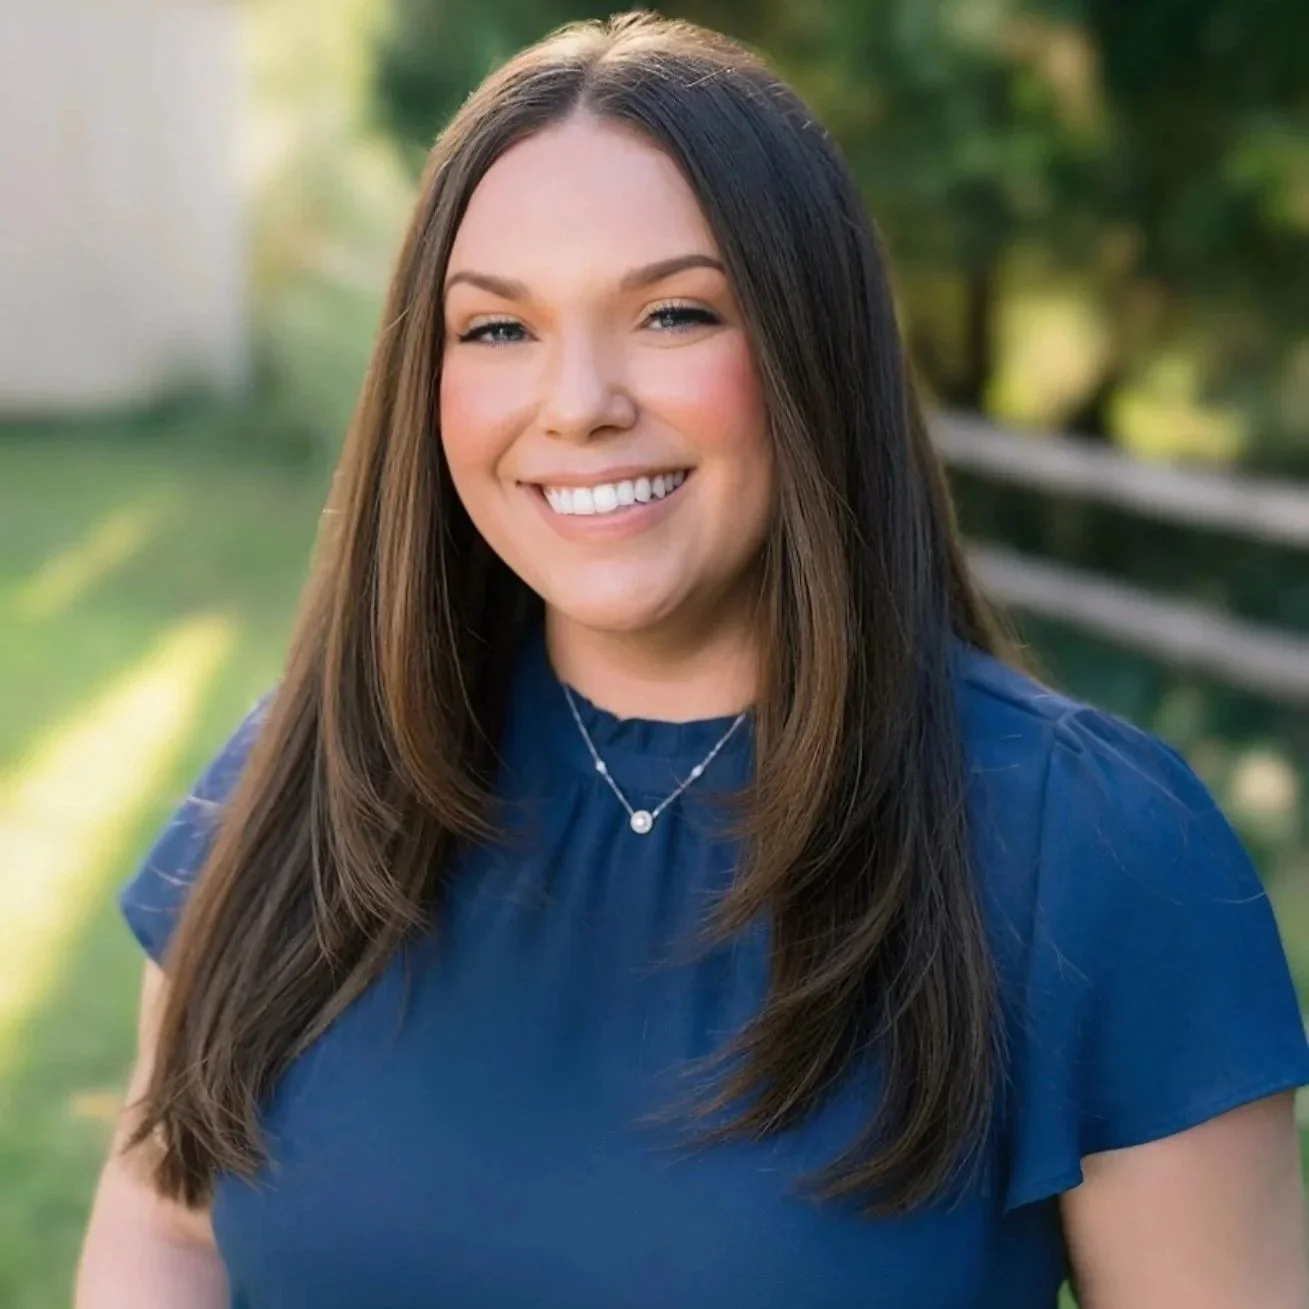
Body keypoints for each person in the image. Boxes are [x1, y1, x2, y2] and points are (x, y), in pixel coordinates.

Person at [76, 13, 1309, 1308]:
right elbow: (168, 1226)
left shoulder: (1090, 849)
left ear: (808, 349)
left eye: (673, 313)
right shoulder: (312, 767)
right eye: (498, 330)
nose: (580, 401)